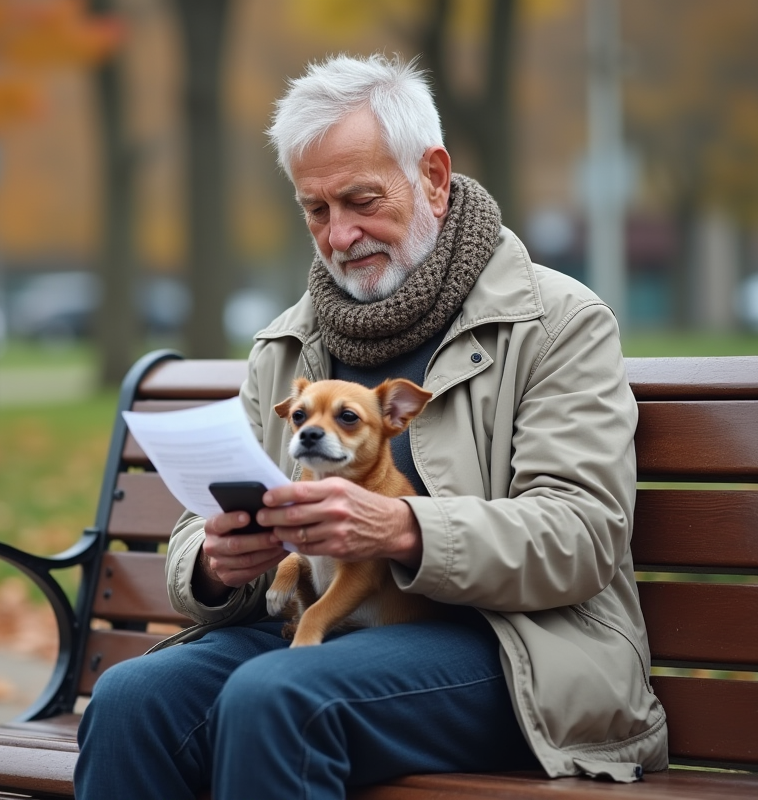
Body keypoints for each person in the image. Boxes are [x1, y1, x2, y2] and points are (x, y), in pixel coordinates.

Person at [74, 53, 667, 800]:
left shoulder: (557, 324)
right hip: (326, 633)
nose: (341, 234)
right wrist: (215, 562)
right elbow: (204, 523)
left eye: (361, 200)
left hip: (518, 652)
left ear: (434, 178)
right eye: (316, 211)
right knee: (134, 702)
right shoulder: (286, 344)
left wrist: (402, 528)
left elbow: (581, 536)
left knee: (281, 697)